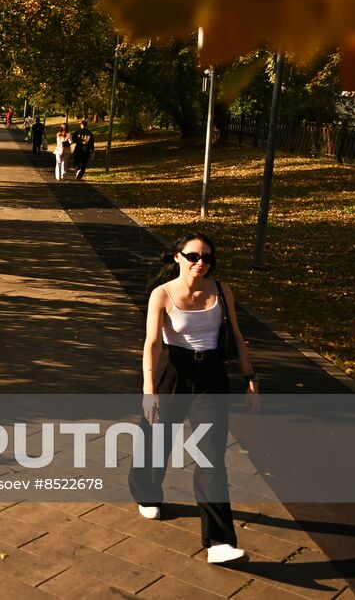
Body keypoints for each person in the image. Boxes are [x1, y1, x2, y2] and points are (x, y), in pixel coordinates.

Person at [129, 233, 260, 565]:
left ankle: (219, 542)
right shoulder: (162, 294)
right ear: (178, 257)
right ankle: (146, 492)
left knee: (211, 455)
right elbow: (152, 344)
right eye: (193, 256)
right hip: (173, 372)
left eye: (207, 258)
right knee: (158, 441)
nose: (201, 263)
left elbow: (237, 336)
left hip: (211, 376)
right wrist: (148, 390)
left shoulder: (221, 290)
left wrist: (250, 377)